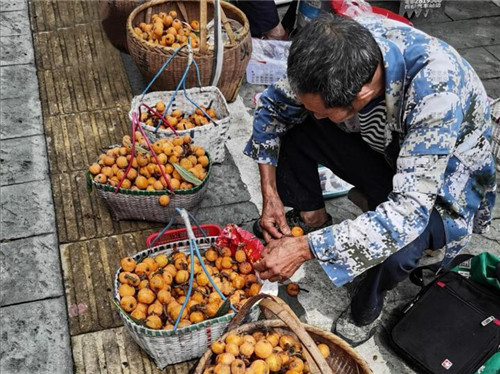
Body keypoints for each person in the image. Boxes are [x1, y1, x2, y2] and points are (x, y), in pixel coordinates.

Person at [245, 13, 496, 326]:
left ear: (360, 98)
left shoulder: (435, 93)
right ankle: (313, 217)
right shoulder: (340, 51)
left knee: (396, 248)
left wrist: (304, 249)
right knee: (295, 125)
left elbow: (408, 214)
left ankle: (368, 303)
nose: (318, 116)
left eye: (324, 111)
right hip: (386, 153)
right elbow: (272, 109)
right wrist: (270, 194)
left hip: (442, 188)